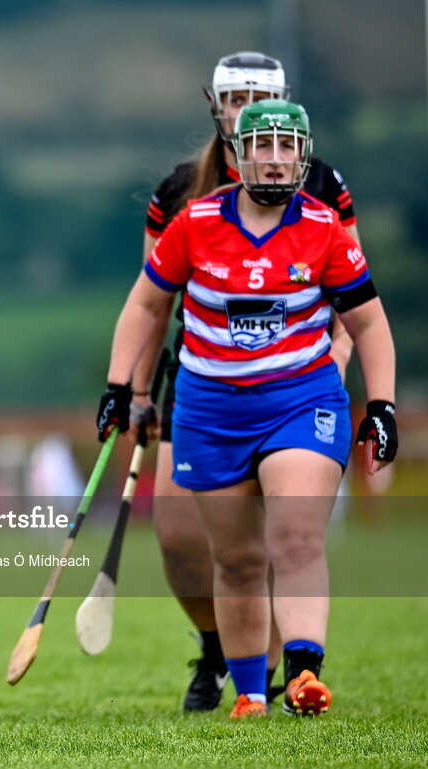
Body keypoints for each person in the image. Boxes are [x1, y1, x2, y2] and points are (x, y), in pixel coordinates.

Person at [97, 99, 398, 718]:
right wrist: (120, 387)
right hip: (209, 411)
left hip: (302, 400)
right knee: (236, 560)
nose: (276, 158)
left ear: (303, 156)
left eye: (288, 146)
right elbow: (146, 305)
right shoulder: (195, 223)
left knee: (296, 537)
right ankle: (251, 695)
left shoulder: (324, 229)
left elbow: (369, 325)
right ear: (238, 154)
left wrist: (383, 406)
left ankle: (304, 676)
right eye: (263, 145)